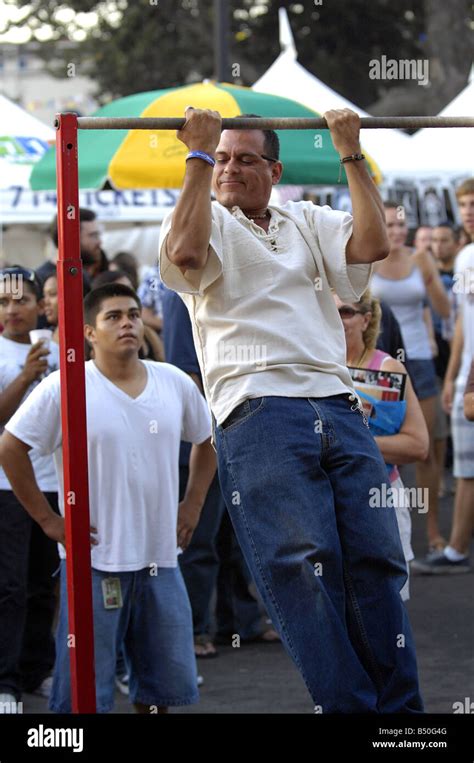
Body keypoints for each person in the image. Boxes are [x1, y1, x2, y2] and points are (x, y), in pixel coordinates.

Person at [158, 106, 424, 713]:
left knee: (378, 562)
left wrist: (349, 151)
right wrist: (195, 157)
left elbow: (374, 243)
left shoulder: (304, 218)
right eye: (222, 157)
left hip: (336, 402)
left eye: (245, 158)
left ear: (274, 170)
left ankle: (403, 719)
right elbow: (186, 252)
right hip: (259, 409)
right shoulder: (204, 216)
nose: (230, 168)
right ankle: (352, 710)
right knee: (304, 567)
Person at [0, 283, 216, 713]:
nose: (127, 323)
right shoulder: (65, 387)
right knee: (84, 694)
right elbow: (10, 447)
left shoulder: (172, 380)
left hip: (162, 557)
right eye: (113, 317)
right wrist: (48, 521)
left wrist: (192, 503)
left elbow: (207, 439)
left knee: (161, 687)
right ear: (89, 332)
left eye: (134, 314)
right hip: (95, 561)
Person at [161, 285, 278, 657]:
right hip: (207, 437)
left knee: (237, 537)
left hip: (238, 429)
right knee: (199, 538)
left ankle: (241, 623)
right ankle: (195, 629)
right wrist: (213, 429)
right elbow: (188, 375)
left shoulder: (229, 288)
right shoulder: (181, 293)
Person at [334, 289, 429, 600]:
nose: (337, 320)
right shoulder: (311, 370)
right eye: (328, 313)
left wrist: (350, 444)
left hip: (380, 496)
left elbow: (416, 445)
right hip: (326, 501)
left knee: (387, 607)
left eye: (345, 312)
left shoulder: (386, 369)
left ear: (366, 319)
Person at [371, 202, 451, 552]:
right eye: (389, 224)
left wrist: (429, 275)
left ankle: (432, 531)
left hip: (417, 359)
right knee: (384, 449)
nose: (397, 231)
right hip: (379, 364)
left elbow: (445, 310)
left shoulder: (421, 260)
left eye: (402, 225)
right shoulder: (368, 260)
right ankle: (386, 529)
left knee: (427, 449)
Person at [0, 266, 60, 711]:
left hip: (55, 482)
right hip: (7, 486)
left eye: (21, 299)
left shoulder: (61, 349)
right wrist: (24, 377)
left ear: (41, 305)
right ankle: (6, 681)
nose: (12, 308)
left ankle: (38, 669)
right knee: (10, 586)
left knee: (45, 585)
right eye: (3, 301)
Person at [412, 178, 474, 573]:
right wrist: (453, 376)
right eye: (465, 204)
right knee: (465, 466)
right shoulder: (467, 257)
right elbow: (463, 325)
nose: (469, 210)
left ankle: (455, 550)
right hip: (466, 373)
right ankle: (455, 549)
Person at [36, 208, 106, 288]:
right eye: (93, 235)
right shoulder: (40, 281)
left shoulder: (83, 276)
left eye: (98, 235)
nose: (99, 242)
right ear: (70, 239)